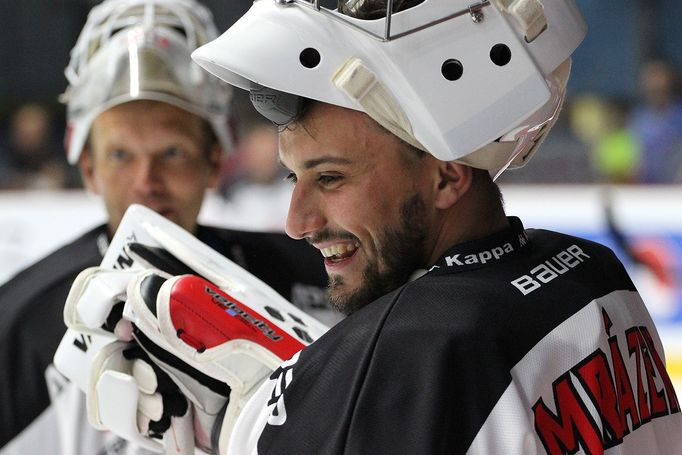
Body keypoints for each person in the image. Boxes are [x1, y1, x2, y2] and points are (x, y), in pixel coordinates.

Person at [69, 0, 682, 453]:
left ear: (445, 176)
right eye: (294, 179)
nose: (298, 222)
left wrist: (260, 425)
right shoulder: (590, 271)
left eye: (330, 178)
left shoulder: (415, 351)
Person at [0, 0, 334, 453]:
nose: (146, 182)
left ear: (215, 160)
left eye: (172, 153)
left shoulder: (317, 277)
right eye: (121, 155)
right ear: (88, 168)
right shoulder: (18, 326)